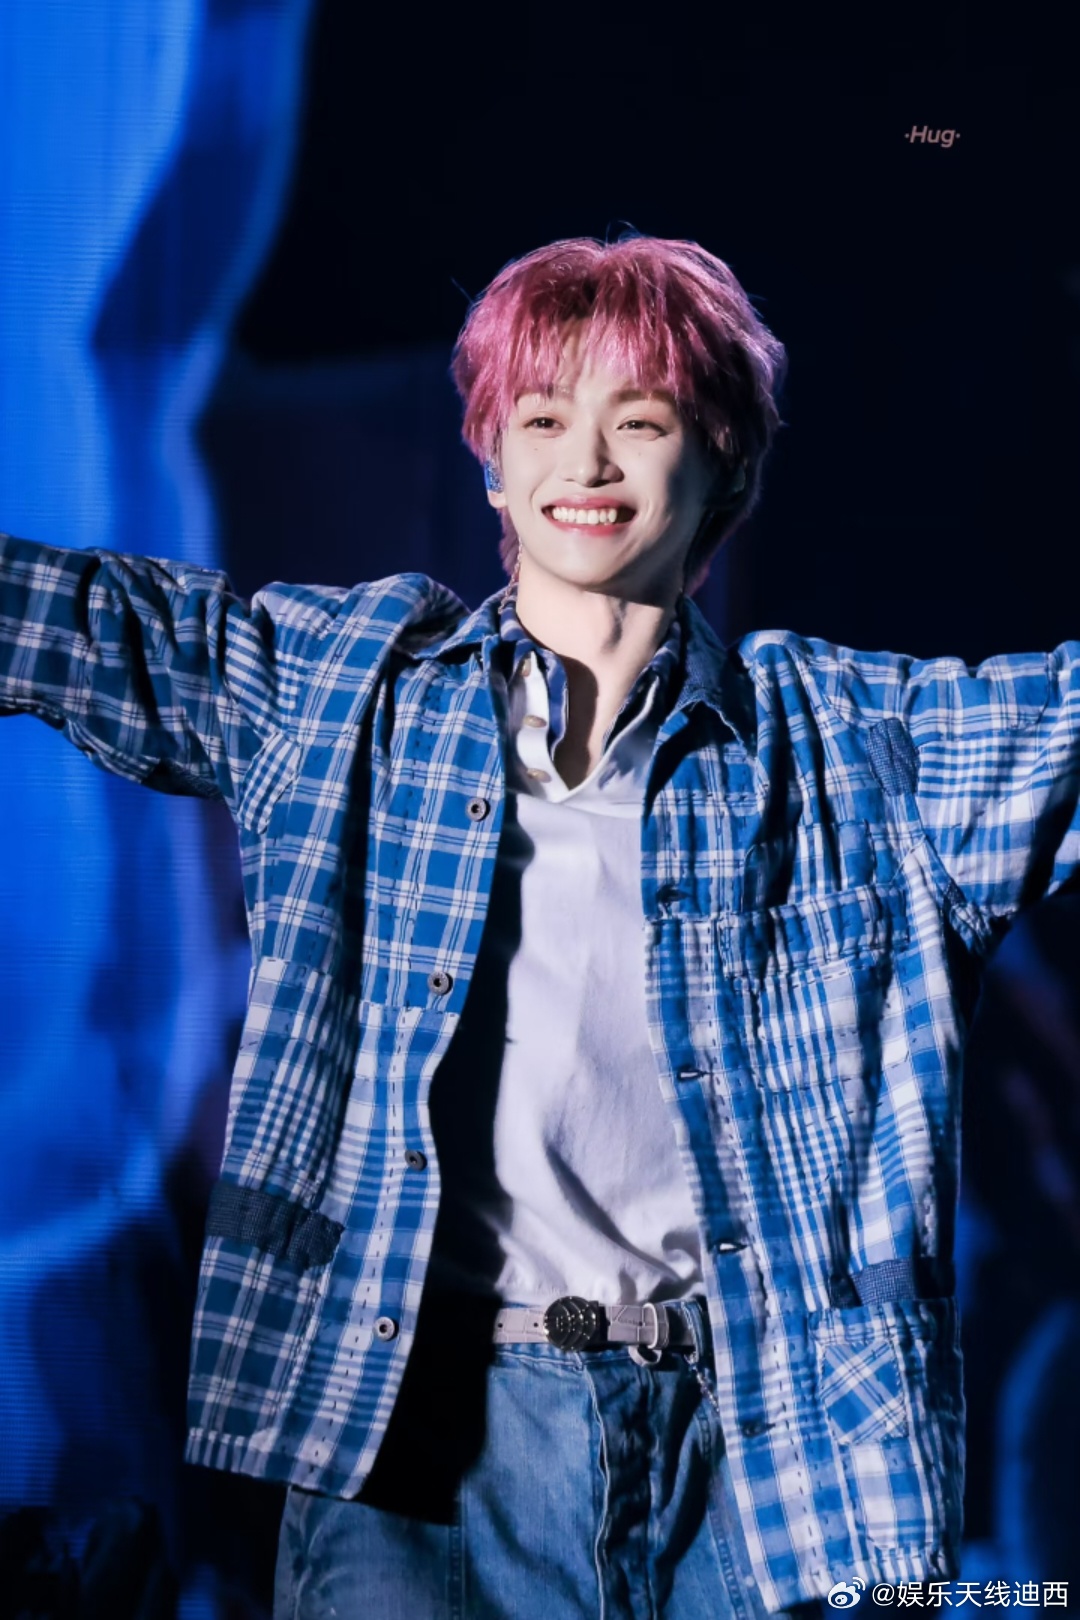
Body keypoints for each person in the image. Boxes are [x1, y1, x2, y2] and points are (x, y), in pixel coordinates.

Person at [1, 234, 1077, 1620]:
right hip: (425, 1452)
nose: (590, 461)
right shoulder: (353, 697)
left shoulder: (856, 754)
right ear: (493, 466)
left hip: (758, 1455)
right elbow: (79, 623)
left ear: (726, 464)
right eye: (546, 418)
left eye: (643, 421)